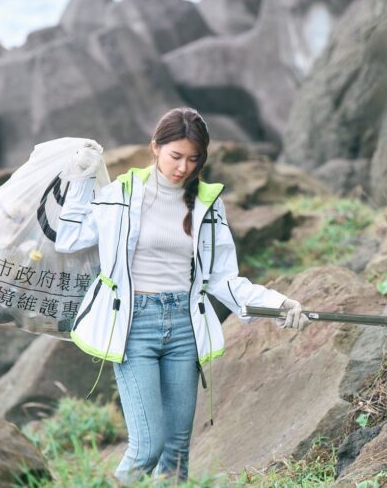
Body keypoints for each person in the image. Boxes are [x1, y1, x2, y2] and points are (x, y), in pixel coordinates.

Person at [54, 107, 310, 484]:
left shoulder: (209, 204)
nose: (183, 168)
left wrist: (280, 303)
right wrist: (81, 176)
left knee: (175, 453)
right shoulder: (122, 194)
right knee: (147, 447)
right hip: (134, 325)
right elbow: (70, 237)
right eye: (175, 156)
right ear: (155, 147)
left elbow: (225, 278)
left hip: (183, 326)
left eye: (193, 159)